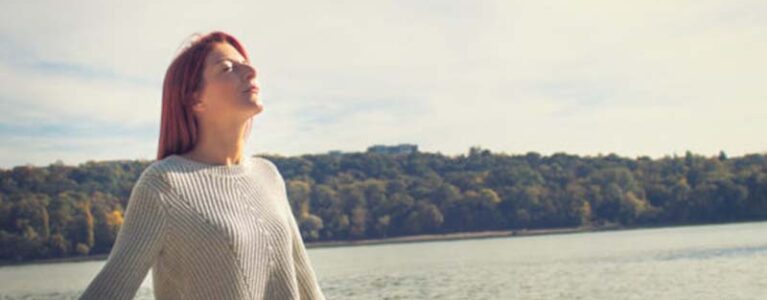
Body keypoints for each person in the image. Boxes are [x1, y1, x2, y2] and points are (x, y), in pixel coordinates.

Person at [79, 31, 326, 300]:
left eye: (246, 62)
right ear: (195, 99)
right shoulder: (164, 186)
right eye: (228, 68)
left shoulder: (268, 175)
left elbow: (307, 287)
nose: (252, 70)